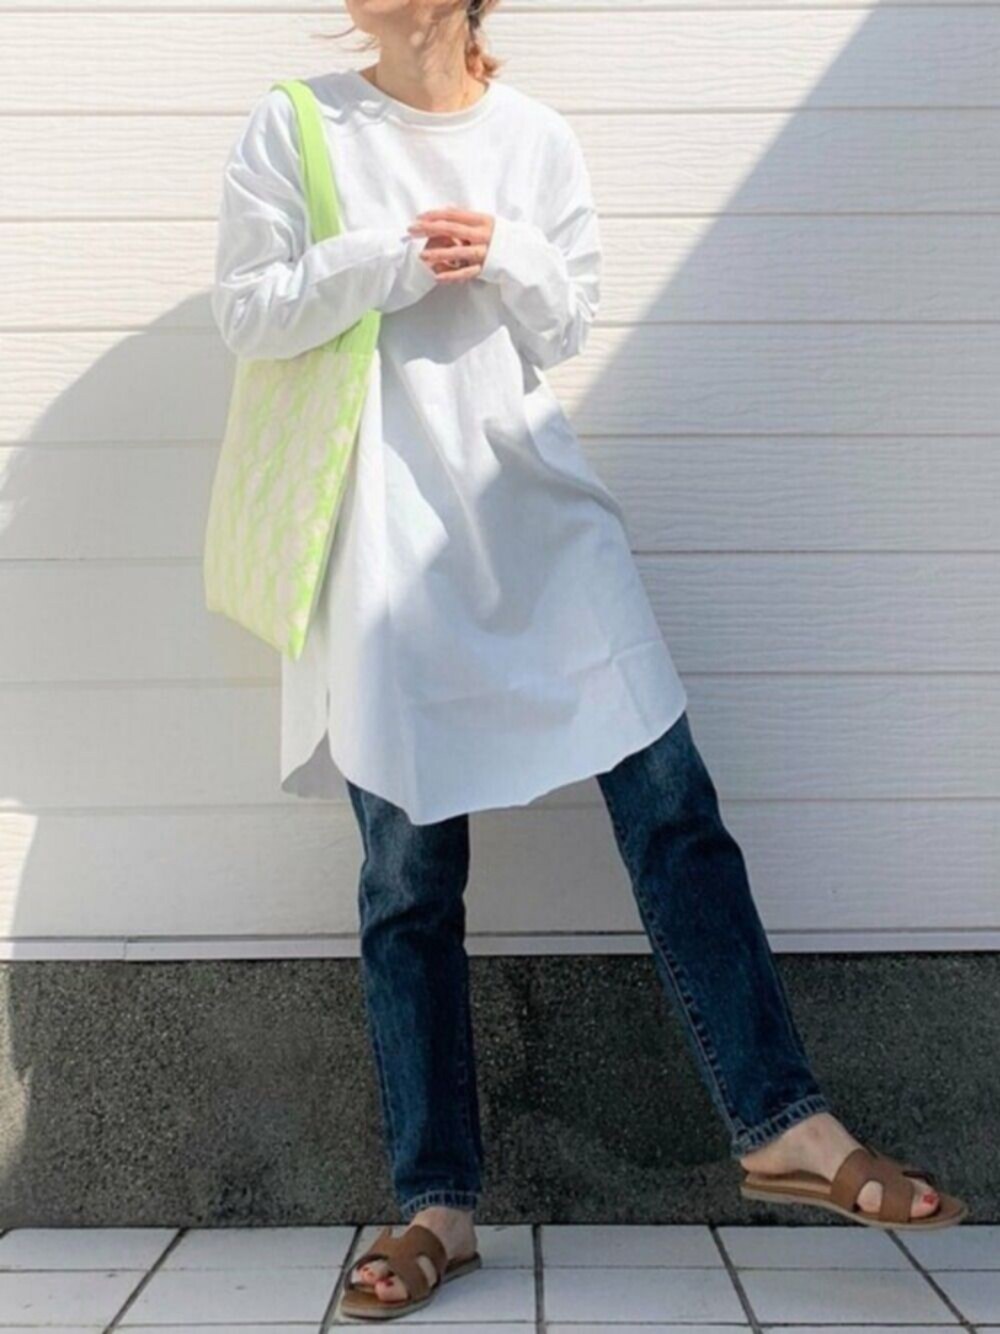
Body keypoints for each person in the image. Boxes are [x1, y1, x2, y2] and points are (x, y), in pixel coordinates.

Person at [210, 0, 966, 1319]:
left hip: (532, 513)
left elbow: (566, 325)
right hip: (381, 542)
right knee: (408, 875)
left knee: (673, 802)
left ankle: (783, 1122)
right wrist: (387, 259)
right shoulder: (298, 126)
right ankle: (437, 1205)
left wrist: (504, 253)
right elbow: (246, 311)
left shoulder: (535, 137)